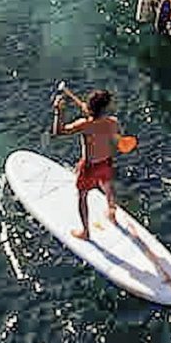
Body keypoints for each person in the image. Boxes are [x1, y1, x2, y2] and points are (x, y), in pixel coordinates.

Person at [52, 86, 122, 240]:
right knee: (107, 185)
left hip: (90, 167)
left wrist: (59, 111)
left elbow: (59, 132)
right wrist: (93, 115)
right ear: (106, 108)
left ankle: (86, 232)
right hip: (106, 162)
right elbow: (112, 137)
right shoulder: (113, 122)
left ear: (90, 107)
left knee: (82, 196)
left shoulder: (84, 125)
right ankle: (111, 212)